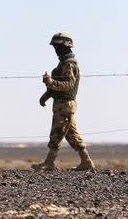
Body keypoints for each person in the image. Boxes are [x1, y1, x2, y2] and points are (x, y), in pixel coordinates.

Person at [32, 33, 95, 172]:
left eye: (58, 46)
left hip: (65, 104)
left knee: (57, 132)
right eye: (55, 46)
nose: (56, 49)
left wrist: (51, 82)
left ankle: (49, 162)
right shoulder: (63, 63)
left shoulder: (68, 64)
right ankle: (86, 162)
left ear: (65, 47)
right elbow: (60, 84)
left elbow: (68, 84)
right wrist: (47, 94)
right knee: (71, 134)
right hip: (63, 103)